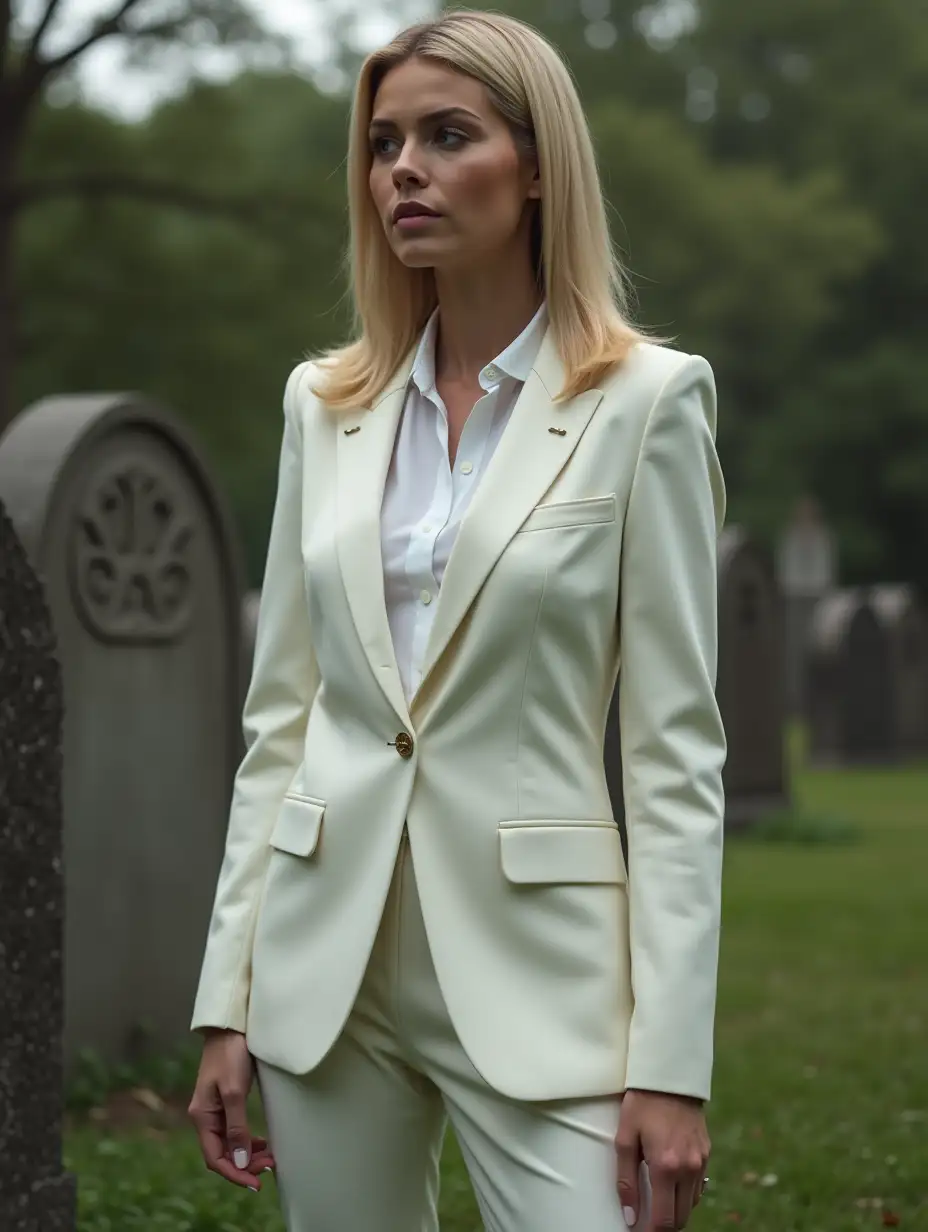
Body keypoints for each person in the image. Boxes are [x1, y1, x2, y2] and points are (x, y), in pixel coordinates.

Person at [187, 10, 727, 1232]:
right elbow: (283, 716)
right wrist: (228, 995)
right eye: (382, 145)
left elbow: (675, 754)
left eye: (446, 135)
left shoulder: (645, 402)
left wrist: (671, 1062)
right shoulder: (322, 406)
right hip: (327, 966)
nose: (404, 171)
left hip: (541, 970)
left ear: (537, 166)